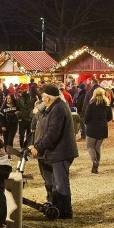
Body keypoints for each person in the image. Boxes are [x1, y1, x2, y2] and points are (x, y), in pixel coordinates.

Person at [32, 84, 78, 219]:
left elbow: (52, 133)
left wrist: (38, 147)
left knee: (61, 183)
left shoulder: (57, 109)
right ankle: (57, 208)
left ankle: (65, 212)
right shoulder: (54, 107)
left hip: (61, 152)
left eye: (42, 97)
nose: (41, 100)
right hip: (57, 151)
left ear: (47, 98)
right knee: (56, 183)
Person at [83, 86, 112, 174]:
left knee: (90, 146)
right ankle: (96, 167)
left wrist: (86, 123)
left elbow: (87, 116)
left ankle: (95, 161)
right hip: (103, 127)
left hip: (92, 127)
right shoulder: (107, 104)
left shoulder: (91, 103)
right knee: (97, 147)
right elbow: (110, 117)